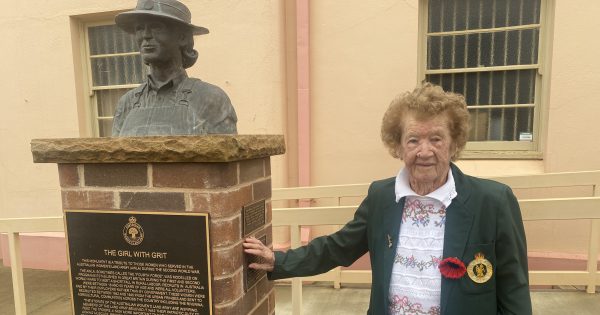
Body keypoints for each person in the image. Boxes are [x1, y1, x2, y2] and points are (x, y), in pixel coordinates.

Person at [243, 83, 532, 315]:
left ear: (454, 144)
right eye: (413, 140)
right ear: (398, 146)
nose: (424, 151)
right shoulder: (382, 198)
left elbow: (514, 289)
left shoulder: (493, 202)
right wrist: (278, 261)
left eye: (436, 139)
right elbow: (337, 248)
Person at [112, 0, 237, 136]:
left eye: (156, 27)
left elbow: (226, 154)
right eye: (140, 28)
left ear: (182, 37)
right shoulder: (127, 104)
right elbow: (114, 155)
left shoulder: (210, 99)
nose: (145, 35)